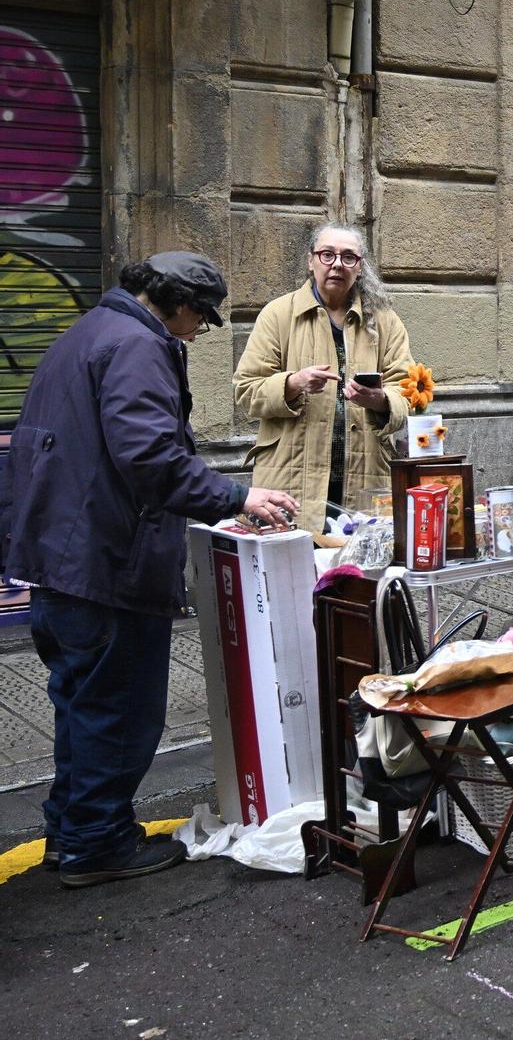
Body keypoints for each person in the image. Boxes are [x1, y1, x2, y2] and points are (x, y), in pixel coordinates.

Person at [0, 253, 299, 887]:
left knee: (81, 703)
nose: (200, 331)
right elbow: (151, 456)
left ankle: (73, 831)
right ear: (176, 303)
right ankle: (97, 845)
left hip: (63, 561)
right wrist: (236, 497)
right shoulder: (136, 345)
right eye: (202, 318)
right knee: (121, 709)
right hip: (105, 565)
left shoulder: (87, 332)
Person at [234, 223, 416, 534]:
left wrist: (381, 400)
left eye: (348, 258)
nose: (337, 264)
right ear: (311, 261)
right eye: (327, 254)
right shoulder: (278, 315)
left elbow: (409, 391)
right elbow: (246, 390)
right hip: (290, 476)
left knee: (358, 575)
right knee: (291, 575)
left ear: (359, 268)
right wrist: (293, 384)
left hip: (366, 476)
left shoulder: (384, 321)